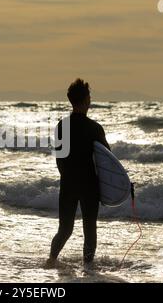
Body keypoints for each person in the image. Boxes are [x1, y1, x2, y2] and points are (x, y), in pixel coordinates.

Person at [47, 78, 110, 269]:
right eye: (89, 96)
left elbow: (59, 158)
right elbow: (107, 162)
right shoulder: (95, 128)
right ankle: (88, 270)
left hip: (68, 183)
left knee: (65, 229)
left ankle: (51, 260)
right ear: (86, 100)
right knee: (89, 229)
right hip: (89, 185)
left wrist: (67, 177)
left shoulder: (61, 126)